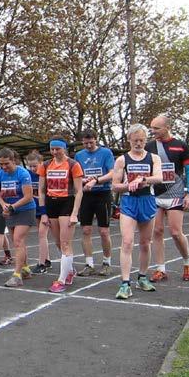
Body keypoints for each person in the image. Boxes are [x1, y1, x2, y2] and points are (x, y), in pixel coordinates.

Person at [112, 124, 163, 300]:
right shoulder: (122, 160)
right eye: (135, 141)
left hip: (147, 202)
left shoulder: (154, 158)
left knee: (145, 242)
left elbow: (159, 177)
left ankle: (142, 277)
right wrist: (128, 185)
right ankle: (125, 283)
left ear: (146, 140)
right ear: (129, 140)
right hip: (129, 203)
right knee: (127, 242)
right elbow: (115, 186)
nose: (139, 144)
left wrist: (142, 179)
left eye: (142, 140)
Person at [146, 114, 189, 282]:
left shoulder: (181, 146)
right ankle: (160, 269)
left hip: (175, 193)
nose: (152, 131)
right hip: (156, 193)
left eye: (156, 128)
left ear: (167, 127)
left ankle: (187, 262)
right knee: (157, 231)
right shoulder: (149, 146)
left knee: (175, 232)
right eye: (151, 128)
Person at [37, 135, 84, 293]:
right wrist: (43, 213)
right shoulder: (45, 165)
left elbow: (79, 191)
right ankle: (69, 270)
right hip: (51, 204)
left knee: (65, 243)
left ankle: (61, 280)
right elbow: (41, 191)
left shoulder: (73, 165)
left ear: (64, 148)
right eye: (52, 149)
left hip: (67, 203)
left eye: (58, 149)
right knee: (58, 242)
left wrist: (74, 213)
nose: (55, 152)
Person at [0, 148, 36, 288]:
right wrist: (4, 205)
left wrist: (12, 207)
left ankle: (17, 275)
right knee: (17, 241)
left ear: (14, 160)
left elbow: (28, 196)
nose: (4, 167)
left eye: (7, 164)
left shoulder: (22, 173)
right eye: (1, 164)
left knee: (18, 240)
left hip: (25, 210)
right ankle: (25, 268)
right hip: (9, 210)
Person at [75, 129, 115, 276]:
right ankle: (89, 264)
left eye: (91, 142)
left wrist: (96, 180)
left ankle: (106, 262)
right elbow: (77, 175)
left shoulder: (106, 153)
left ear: (96, 140)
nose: (89, 146)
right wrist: (83, 180)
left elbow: (112, 172)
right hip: (86, 195)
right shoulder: (79, 155)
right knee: (85, 230)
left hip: (103, 193)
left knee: (104, 231)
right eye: (85, 143)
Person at [25, 152, 52, 273]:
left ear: (41, 163)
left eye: (35, 166)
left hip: (46, 209)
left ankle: (42, 264)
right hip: (34, 208)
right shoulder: (28, 175)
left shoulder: (46, 175)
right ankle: (47, 259)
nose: (32, 168)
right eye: (30, 166)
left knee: (42, 234)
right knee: (41, 235)